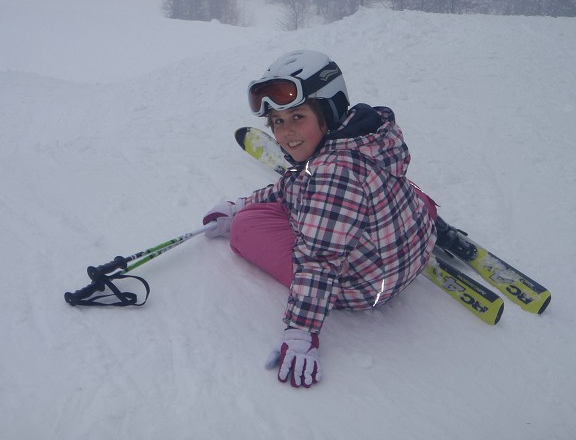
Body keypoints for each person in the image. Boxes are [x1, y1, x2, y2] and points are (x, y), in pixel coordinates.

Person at [202, 50, 474, 388]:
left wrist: (302, 333)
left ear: (327, 111)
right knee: (381, 189)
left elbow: (318, 261)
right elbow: (295, 183)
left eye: (297, 117)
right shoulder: (368, 132)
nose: (286, 133)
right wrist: (240, 203)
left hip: (365, 287)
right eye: (278, 122)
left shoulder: (331, 176)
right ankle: (426, 219)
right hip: (410, 244)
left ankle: (264, 223)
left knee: (247, 228)